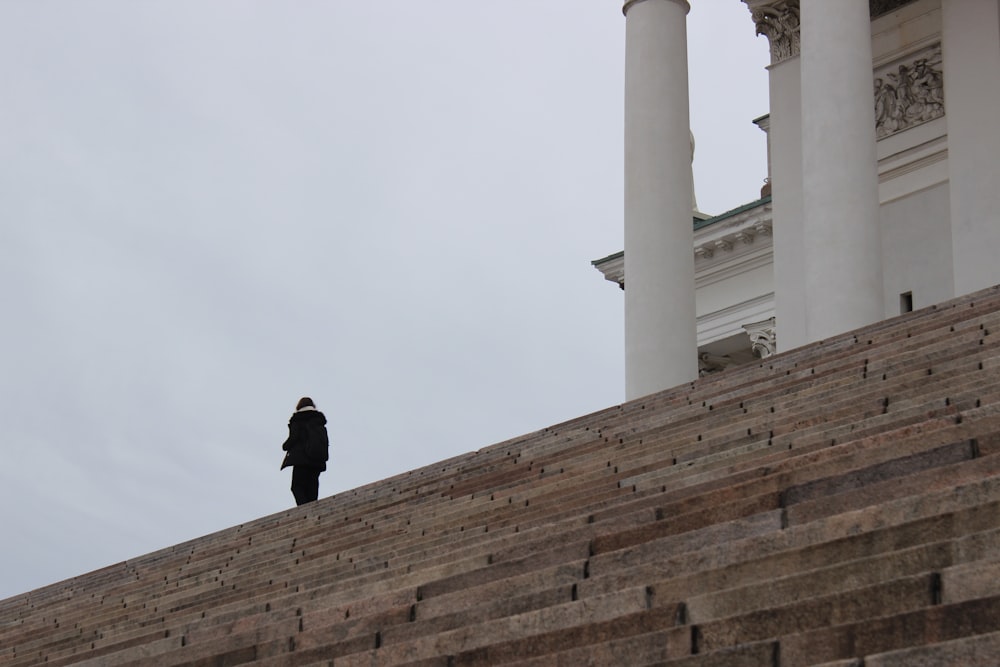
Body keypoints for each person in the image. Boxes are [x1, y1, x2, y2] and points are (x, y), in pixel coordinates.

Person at [280, 397, 329, 505]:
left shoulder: (298, 419)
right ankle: (313, 510)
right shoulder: (319, 420)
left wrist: (285, 446)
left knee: (297, 486)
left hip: (301, 459)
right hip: (317, 459)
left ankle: (304, 512)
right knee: (312, 487)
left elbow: (294, 437)